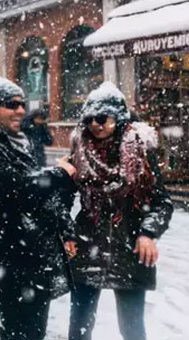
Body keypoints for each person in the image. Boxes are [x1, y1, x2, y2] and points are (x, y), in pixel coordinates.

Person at [0, 77, 76, 340]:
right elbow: (15, 190)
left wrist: (66, 228)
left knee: (34, 333)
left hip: (32, 262)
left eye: (22, 104)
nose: (20, 110)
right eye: (11, 105)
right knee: (20, 334)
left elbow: (39, 199)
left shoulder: (16, 141)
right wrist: (59, 175)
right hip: (12, 263)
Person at [67, 82, 173, 340]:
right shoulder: (79, 150)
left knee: (132, 328)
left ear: (118, 117)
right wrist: (66, 231)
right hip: (87, 247)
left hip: (129, 249)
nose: (96, 124)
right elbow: (61, 198)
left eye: (102, 118)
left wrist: (147, 233)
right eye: (90, 119)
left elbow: (161, 202)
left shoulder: (140, 153)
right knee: (80, 327)